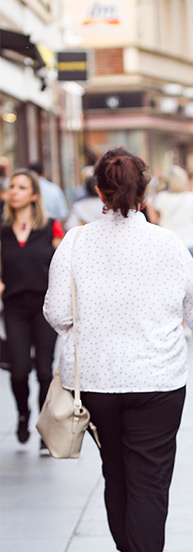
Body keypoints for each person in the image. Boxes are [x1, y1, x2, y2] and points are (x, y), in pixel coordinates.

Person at [44, 147, 193, 552]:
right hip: (158, 380)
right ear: (146, 191)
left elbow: (57, 313)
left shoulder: (75, 243)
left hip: (95, 381)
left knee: (117, 471)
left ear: (98, 191)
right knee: (151, 479)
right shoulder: (166, 245)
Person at [0, 168, 64, 452]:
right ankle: (23, 414)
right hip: (13, 306)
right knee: (18, 370)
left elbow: (63, 265)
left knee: (44, 371)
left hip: (44, 307)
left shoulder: (50, 227)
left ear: (35, 195)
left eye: (22, 187)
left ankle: (43, 427)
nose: (14, 191)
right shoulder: (2, 230)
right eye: (12, 186)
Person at [151, 165, 193, 267]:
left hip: (169, 247)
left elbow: (155, 221)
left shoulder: (161, 198)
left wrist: (149, 205)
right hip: (192, 243)